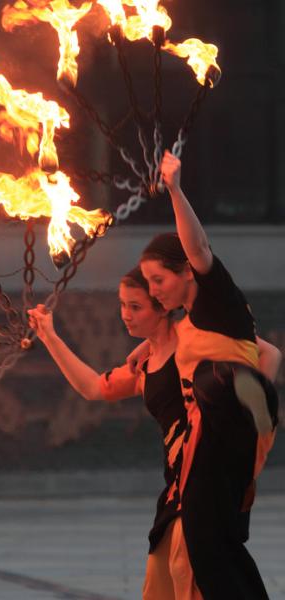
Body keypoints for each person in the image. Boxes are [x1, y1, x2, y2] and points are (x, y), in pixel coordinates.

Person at [28, 270, 280, 600]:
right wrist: (49, 336)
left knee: (197, 580)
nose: (125, 315)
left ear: (162, 306)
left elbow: (270, 353)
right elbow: (92, 387)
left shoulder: (197, 340)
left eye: (136, 307)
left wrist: (248, 422)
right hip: (175, 493)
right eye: (122, 305)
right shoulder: (145, 366)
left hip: (206, 488)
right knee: (160, 586)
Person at [137, 150, 281, 599]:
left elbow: (197, 246)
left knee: (207, 540)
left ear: (186, 273)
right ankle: (245, 396)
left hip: (228, 425)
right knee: (215, 544)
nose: (154, 291)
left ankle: (242, 394)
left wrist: (176, 189)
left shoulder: (217, 298)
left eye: (159, 280)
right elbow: (272, 353)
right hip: (216, 437)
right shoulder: (188, 324)